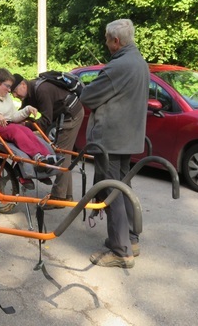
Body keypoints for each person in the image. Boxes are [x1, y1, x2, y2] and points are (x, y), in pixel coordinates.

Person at [79, 19, 149, 269]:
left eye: (107, 40)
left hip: (111, 140)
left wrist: (84, 88)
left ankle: (121, 251)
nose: (106, 44)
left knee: (111, 191)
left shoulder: (118, 66)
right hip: (128, 138)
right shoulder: (139, 62)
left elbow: (88, 97)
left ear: (116, 41)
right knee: (123, 187)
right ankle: (130, 239)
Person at [11, 73, 85, 206]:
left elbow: (46, 120)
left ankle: (58, 197)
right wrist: (11, 121)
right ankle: (66, 195)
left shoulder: (41, 90)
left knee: (61, 153)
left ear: (23, 84)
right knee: (64, 153)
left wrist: (26, 125)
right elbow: (21, 113)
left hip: (71, 114)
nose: (15, 96)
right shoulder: (29, 92)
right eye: (12, 94)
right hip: (65, 114)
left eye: (15, 92)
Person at [0, 68, 62, 166]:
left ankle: (47, 156)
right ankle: (36, 156)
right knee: (15, 130)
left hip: (4, 126)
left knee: (26, 130)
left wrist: (27, 110)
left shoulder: (5, 96)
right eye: (7, 86)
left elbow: (13, 116)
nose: (9, 90)